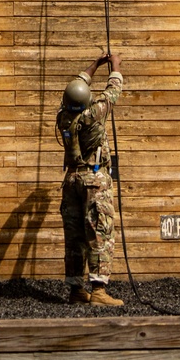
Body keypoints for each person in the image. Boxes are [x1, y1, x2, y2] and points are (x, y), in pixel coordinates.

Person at [56, 51, 124, 308]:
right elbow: (113, 89)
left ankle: (76, 290)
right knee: (100, 232)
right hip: (94, 180)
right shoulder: (94, 113)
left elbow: (76, 86)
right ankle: (98, 290)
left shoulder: (63, 115)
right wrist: (114, 65)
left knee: (74, 237)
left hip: (71, 179)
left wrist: (94, 64)